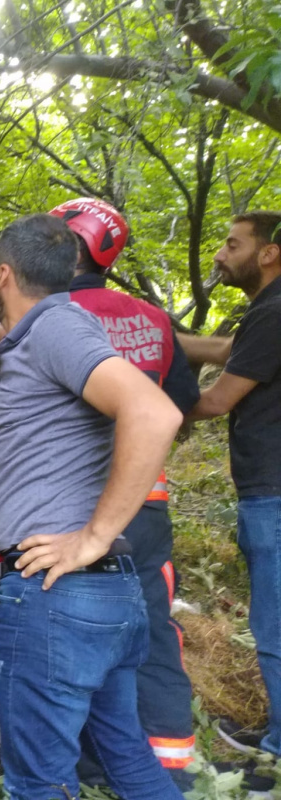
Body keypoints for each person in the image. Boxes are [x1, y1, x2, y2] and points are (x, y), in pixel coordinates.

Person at [0, 198, 201, 784]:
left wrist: (93, 537)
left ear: (3, 274)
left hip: (56, 596)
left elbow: (153, 412)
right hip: (97, 597)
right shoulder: (50, 328)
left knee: (36, 781)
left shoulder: (58, 326)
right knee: (127, 758)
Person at [185, 212, 281, 757]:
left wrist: (147, 409)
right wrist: (150, 329)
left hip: (274, 489)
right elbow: (223, 352)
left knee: (274, 624)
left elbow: (218, 399)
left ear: (268, 253)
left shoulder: (274, 310)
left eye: (231, 244)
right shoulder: (264, 312)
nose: (220, 254)